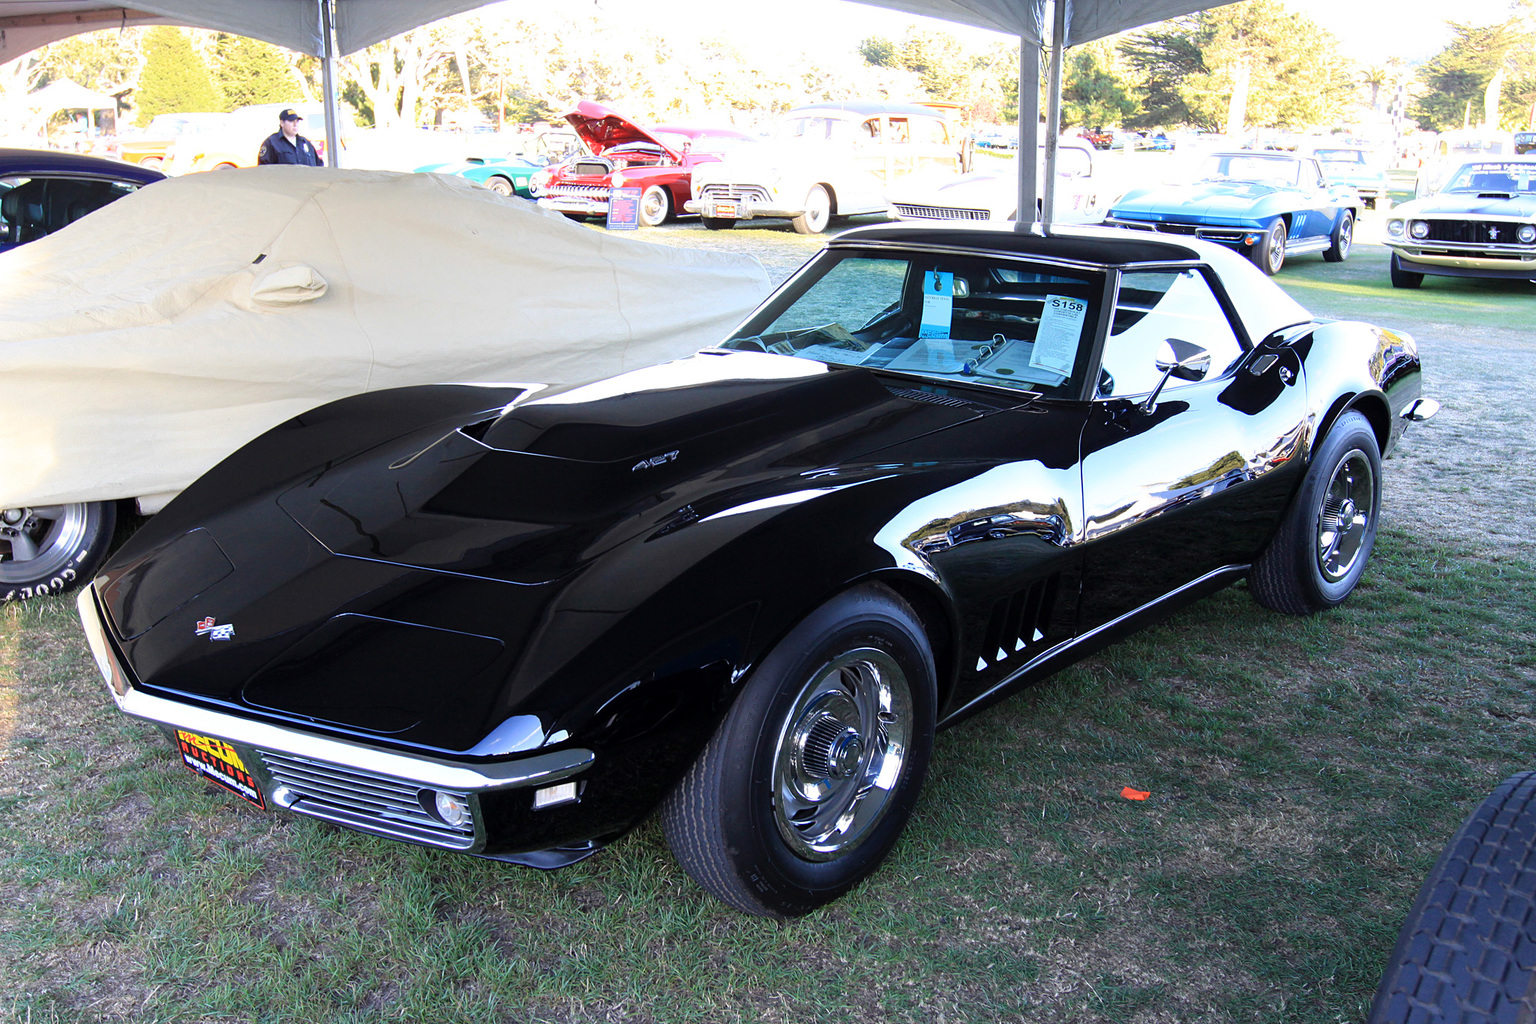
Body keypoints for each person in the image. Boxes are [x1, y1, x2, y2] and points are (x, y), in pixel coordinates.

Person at [257, 109, 322, 166]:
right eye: (291, 121)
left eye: (297, 121)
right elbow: (263, 170)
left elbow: (318, 165)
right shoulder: (271, 143)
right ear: (282, 123)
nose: (295, 124)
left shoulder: (305, 142)